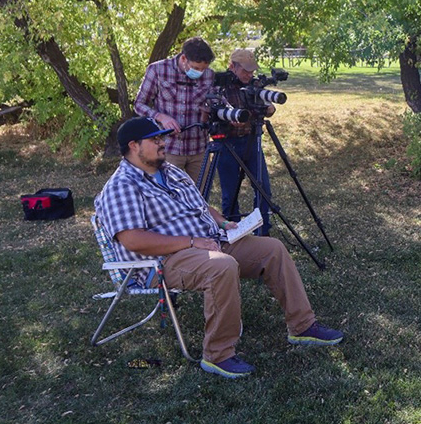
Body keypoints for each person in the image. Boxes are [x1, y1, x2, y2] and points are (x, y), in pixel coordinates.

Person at [94, 117, 345, 378]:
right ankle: (217, 355)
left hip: (209, 242)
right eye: (155, 139)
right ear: (133, 146)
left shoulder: (169, 171)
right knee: (221, 266)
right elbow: (133, 240)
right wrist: (192, 242)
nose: (163, 143)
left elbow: (201, 207)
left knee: (273, 249)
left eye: (162, 138)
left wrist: (225, 223)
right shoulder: (122, 186)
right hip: (163, 262)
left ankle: (302, 327)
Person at [134, 37, 217, 183]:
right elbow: (139, 104)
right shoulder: (158, 70)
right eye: (196, 68)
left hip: (199, 149)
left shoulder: (210, 75)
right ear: (184, 58)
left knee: (200, 198)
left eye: (204, 69)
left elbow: (216, 104)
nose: (200, 72)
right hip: (167, 148)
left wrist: (209, 110)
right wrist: (161, 117)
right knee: (167, 199)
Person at [212, 49, 274, 235]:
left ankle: (263, 233)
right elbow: (212, 112)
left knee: (263, 189)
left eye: (252, 70)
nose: (249, 74)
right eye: (245, 70)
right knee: (230, 195)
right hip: (226, 143)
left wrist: (269, 108)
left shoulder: (254, 85)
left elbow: (267, 109)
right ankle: (234, 234)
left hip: (251, 140)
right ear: (233, 66)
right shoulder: (220, 86)